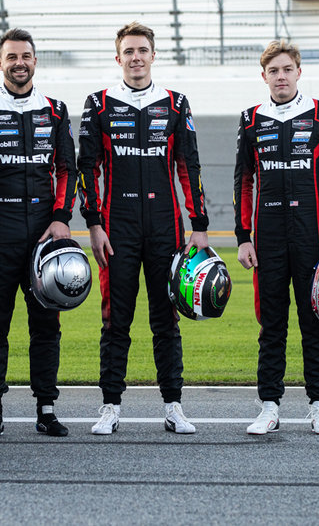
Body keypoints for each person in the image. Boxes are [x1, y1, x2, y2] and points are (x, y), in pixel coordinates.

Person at [78, 21, 208, 435]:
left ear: (154, 55)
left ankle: (173, 406)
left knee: (166, 320)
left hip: (165, 227)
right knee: (115, 320)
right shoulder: (98, 104)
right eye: (128, 51)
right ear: (118, 58)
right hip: (116, 229)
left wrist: (198, 225)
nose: (136, 57)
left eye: (142, 50)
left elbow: (189, 167)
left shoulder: (175, 103)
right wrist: (94, 224)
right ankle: (110, 406)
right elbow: (87, 169)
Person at [232, 39, 319, 436]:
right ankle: (269, 406)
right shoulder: (251, 119)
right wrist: (243, 236)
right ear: (263, 76)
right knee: (271, 324)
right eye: (273, 71)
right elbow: (243, 181)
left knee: (315, 320)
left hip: (312, 237)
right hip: (266, 238)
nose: (280, 77)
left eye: (287, 70)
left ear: (299, 72)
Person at [0, 28, 77, 439]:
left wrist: (62, 218)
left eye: (26, 56)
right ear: (0, 63)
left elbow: (68, 169)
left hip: (45, 236)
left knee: (47, 325)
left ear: (35, 60)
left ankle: (46, 409)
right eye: (11, 57)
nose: (19, 63)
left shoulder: (57, 110)